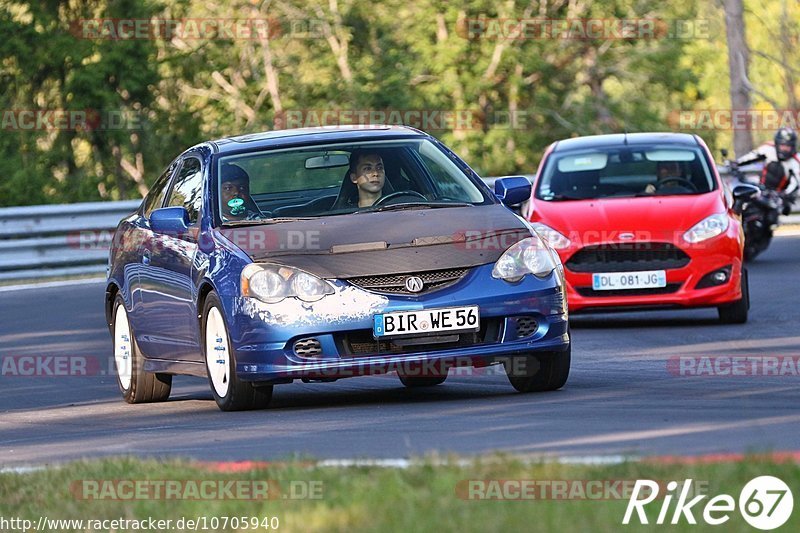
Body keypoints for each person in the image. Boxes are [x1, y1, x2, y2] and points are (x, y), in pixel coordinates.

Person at [737, 128, 799, 213]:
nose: (784, 149)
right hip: (762, 188)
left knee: (772, 216)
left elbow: (795, 183)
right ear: (777, 144)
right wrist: (736, 163)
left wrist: (784, 194)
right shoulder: (768, 148)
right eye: (782, 145)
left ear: (793, 147)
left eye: (788, 146)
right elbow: (751, 156)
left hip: (779, 196)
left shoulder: (795, 161)